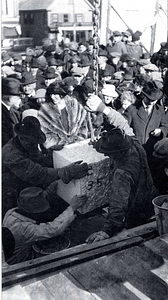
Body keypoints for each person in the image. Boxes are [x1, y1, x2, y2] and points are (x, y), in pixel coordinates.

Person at [2, 116, 88, 217]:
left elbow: (38, 160)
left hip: (27, 184)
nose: (34, 146)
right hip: (13, 191)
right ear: (21, 138)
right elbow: (36, 174)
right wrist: (64, 172)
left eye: (35, 142)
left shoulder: (29, 145)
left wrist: (49, 153)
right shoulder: (10, 153)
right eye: (31, 142)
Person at [85, 128, 158, 243]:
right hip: (150, 197)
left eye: (108, 153)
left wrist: (107, 230)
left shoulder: (122, 173)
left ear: (118, 152)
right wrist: (99, 145)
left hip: (137, 210)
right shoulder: (135, 144)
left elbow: (118, 203)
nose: (105, 154)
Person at [3, 184, 87, 264]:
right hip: (18, 260)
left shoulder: (11, 212)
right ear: (33, 212)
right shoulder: (23, 228)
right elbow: (52, 230)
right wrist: (72, 207)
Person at [2, 77, 22, 147]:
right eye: (18, 96)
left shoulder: (11, 110)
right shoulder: (2, 114)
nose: (19, 99)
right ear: (10, 98)